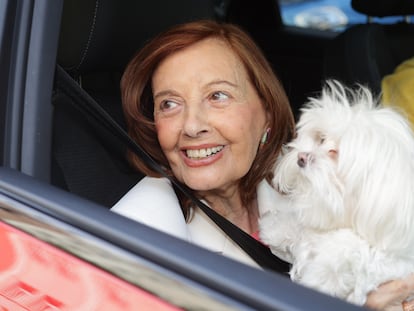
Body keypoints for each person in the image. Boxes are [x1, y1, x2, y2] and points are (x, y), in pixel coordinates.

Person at [111, 20, 414, 310]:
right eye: (169, 104)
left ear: (266, 113)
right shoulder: (136, 235)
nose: (191, 126)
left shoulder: (310, 190)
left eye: (218, 96)